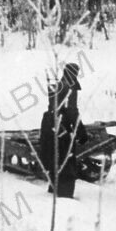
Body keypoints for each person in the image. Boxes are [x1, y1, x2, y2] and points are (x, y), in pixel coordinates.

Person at [39, 63, 88, 199]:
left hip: (52, 126)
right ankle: (64, 195)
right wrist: (81, 131)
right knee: (66, 160)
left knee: (56, 158)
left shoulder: (60, 84)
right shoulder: (70, 87)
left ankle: (53, 188)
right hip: (63, 128)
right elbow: (72, 112)